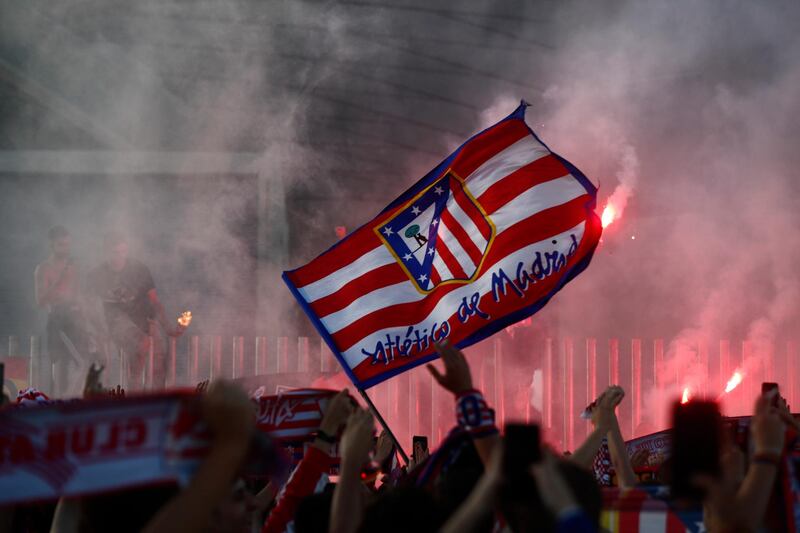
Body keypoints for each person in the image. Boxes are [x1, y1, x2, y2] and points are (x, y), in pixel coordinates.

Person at [87, 232, 182, 389]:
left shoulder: (139, 269)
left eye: (123, 252)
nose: (119, 257)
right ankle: (134, 386)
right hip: (116, 321)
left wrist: (168, 328)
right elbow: (86, 306)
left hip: (144, 319)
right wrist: (97, 330)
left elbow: (155, 302)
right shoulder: (97, 275)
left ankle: (158, 396)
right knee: (142, 343)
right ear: (106, 251)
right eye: (115, 252)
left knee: (160, 352)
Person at [34, 225, 90, 396]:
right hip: (56, 320)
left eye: (68, 245)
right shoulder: (43, 269)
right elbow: (40, 300)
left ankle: (73, 400)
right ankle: (59, 402)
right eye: (61, 245)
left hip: (75, 319)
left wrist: (86, 317)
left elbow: (79, 295)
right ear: (52, 245)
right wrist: (59, 278)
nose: (66, 249)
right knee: (60, 365)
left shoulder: (75, 267)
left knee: (85, 363)